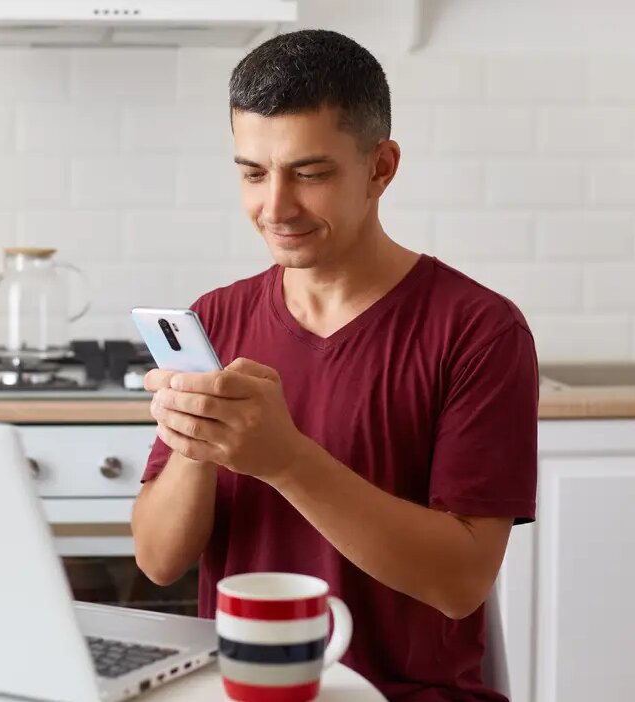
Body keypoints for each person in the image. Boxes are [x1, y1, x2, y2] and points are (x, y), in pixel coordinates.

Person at [129, 29, 539, 702]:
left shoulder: (479, 331)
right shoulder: (217, 318)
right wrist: (199, 443)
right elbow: (158, 558)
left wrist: (285, 459)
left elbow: (461, 583)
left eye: (310, 174)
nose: (276, 207)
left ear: (381, 167)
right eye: (253, 173)